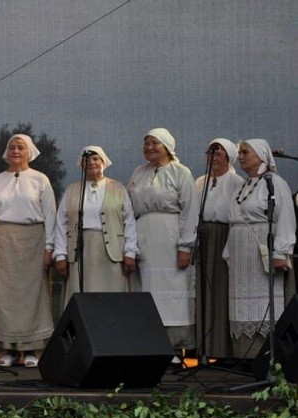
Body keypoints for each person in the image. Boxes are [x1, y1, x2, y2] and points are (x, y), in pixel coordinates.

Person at [0, 134, 56, 368]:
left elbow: (51, 215)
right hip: (1, 242)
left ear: (29, 151)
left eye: (20, 147)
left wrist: (49, 247)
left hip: (33, 241)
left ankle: (32, 350)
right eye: (11, 147)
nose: (15, 150)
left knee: (32, 297)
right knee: (4, 297)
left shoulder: (40, 179)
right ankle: (9, 351)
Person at [127, 128, 197, 360]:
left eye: (155, 143)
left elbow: (190, 211)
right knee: (147, 289)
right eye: (146, 144)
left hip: (170, 237)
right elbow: (129, 208)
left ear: (167, 146)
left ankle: (175, 347)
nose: (149, 148)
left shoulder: (180, 172)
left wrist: (185, 246)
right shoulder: (139, 172)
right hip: (145, 235)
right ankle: (151, 343)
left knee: (173, 291)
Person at [223, 139, 295, 359]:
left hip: (261, 251)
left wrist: (280, 252)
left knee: (265, 301)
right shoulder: (245, 185)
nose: (241, 156)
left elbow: (285, 218)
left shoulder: (275, 183)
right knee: (242, 305)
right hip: (241, 255)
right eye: (240, 153)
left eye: (246, 152)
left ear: (262, 156)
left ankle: (266, 357)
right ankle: (245, 356)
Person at [53, 146, 138, 307]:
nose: (91, 162)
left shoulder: (118, 188)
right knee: (81, 298)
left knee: (111, 299)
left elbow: (129, 222)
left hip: (111, 252)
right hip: (80, 251)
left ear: (103, 161)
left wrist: (130, 252)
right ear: (81, 164)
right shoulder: (71, 190)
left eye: (95, 158)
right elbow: (61, 224)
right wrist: (60, 256)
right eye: (86, 159)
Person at [191, 139, 243, 359]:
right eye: (210, 152)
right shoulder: (200, 182)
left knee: (220, 291)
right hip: (202, 237)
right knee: (202, 291)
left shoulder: (235, 181)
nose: (213, 157)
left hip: (223, 237)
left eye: (218, 153)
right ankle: (203, 350)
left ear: (229, 157)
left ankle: (223, 350)